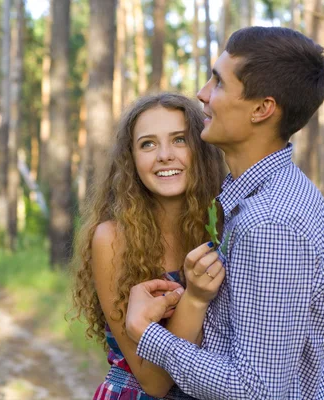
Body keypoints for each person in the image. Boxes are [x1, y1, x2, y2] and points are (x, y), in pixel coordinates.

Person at [125, 26, 324, 399]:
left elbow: (253, 390)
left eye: (219, 83)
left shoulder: (272, 224)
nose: (202, 94)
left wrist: (148, 335)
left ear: (262, 110)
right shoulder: (266, 197)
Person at [71, 92, 227, 399]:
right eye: (148, 144)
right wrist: (194, 297)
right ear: (131, 160)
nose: (164, 155)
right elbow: (154, 382)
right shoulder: (112, 238)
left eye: (179, 139)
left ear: (201, 149)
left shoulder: (222, 229)